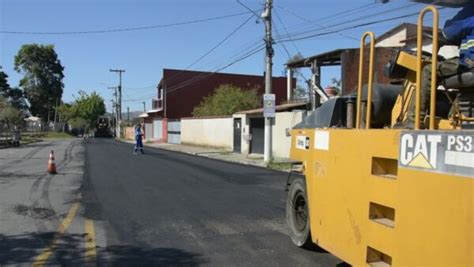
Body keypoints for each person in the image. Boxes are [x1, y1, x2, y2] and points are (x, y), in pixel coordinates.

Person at [404, 2, 474, 129]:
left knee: (428, 70)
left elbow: (449, 32)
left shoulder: (471, 10)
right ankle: (455, 118)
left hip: (471, 63)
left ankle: (413, 121)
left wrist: (444, 34)